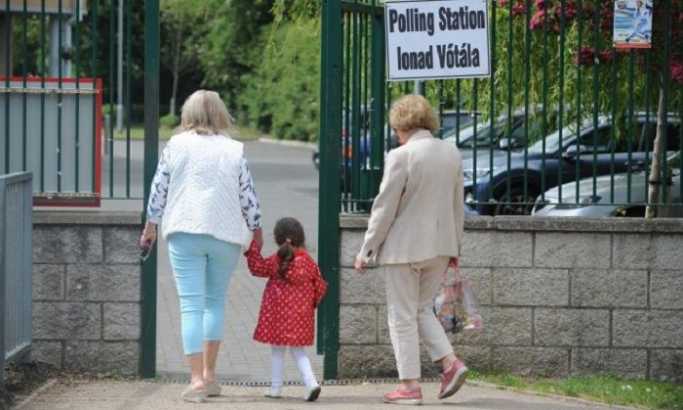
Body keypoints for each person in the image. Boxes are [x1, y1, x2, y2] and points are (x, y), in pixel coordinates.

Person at [139, 90, 263, 403]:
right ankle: (210, 376)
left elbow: (159, 188)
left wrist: (151, 225)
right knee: (215, 302)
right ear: (220, 113)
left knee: (190, 305)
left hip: (184, 231)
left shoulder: (176, 146)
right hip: (224, 235)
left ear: (187, 113)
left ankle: (195, 379)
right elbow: (247, 195)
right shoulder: (234, 150)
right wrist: (256, 229)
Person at [354, 94, 468, 405]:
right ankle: (450, 364)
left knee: (401, 315)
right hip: (442, 246)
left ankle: (409, 386)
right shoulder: (451, 153)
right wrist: (455, 245)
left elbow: (384, 207)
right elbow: (458, 205)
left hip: (404, 249)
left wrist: (367, 248)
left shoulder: (401, 155)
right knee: (420, 309)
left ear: (400, 125)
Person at [244, 217, 327, 402]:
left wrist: (253, 248)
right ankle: (311, 383)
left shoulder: (277, 260)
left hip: (278, 316)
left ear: (277, 239)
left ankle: (275, 388)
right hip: (301, 316)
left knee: (277, 350)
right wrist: (311, 303)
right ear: (301, 238)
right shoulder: (309, 263)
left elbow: (257, 268)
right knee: (298, 351)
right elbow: (321, 286)